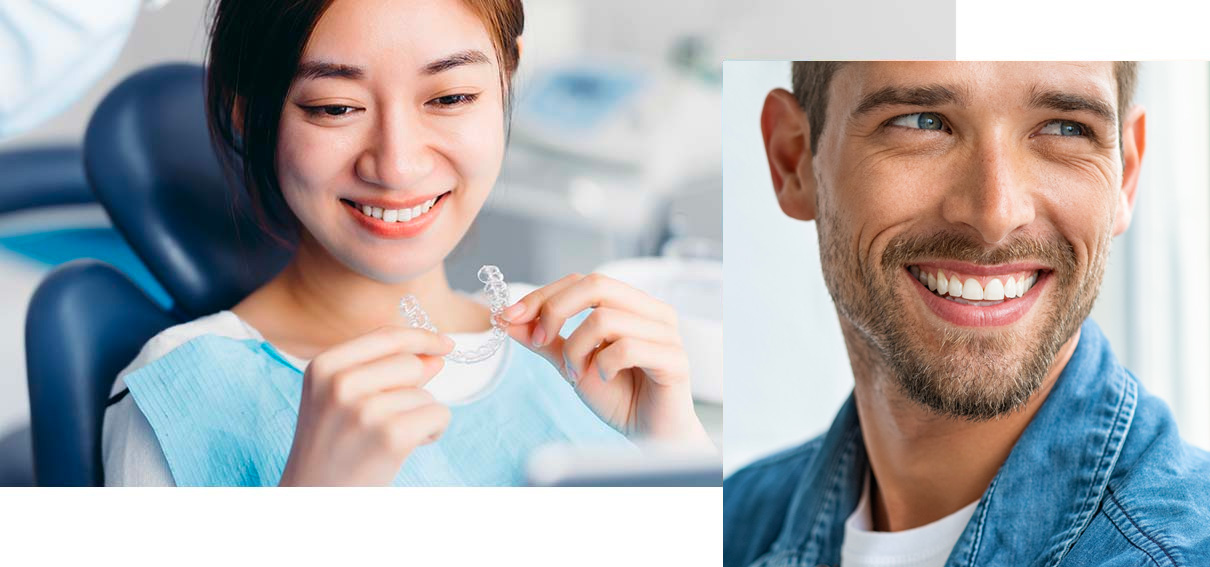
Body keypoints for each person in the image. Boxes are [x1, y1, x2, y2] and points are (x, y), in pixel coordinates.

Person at [102, 0, 711, 487]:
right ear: (247, 115)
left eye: (450, 98)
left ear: (507, 79)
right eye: (336, 107)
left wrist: (672, 447)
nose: (397, 166)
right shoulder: (179, 391)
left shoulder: (579, 349)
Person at [724, 61, 1210, 566]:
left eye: (1066, 129)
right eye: (922, 121)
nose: (996, 214)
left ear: (1125, 173)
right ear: (794, 159)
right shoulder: (728, 525)